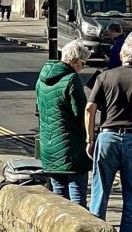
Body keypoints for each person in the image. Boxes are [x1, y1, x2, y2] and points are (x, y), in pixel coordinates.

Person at [86, 36, 132, 232]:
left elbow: (89, 109)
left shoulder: (104, 76)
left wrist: (90, 139)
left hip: (106, 137)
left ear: (121, 56)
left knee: (99, 194)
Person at [37, 41, 93, 205]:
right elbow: (81, 114)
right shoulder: (71, 79)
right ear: (75, 61)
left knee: (58, 197)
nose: (82, 67)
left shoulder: (41, 80)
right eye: (83, 63)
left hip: (48, 146)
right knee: (77, 199)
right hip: (71, 149)